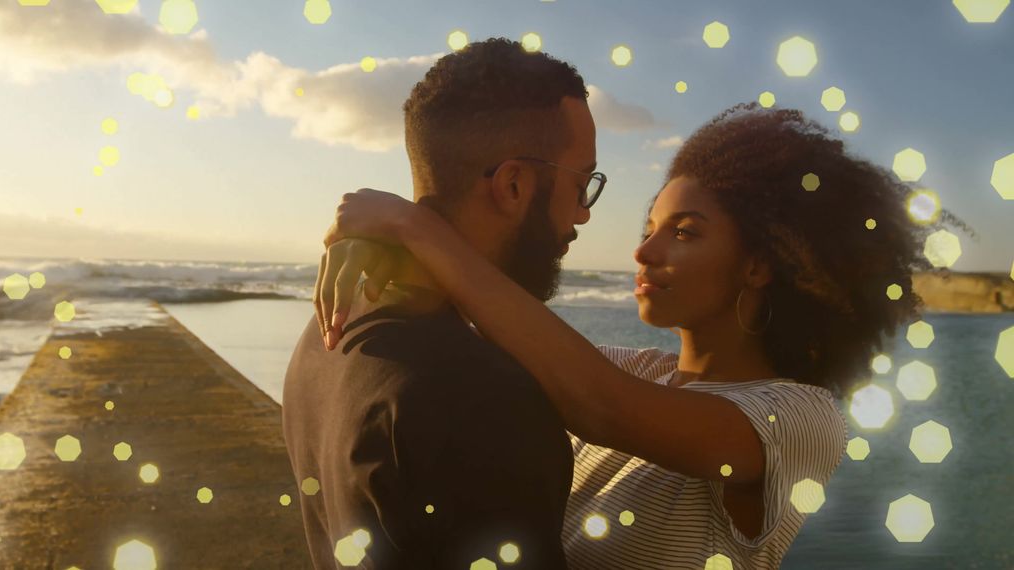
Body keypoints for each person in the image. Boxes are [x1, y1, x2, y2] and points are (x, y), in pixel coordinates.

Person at [313, 103, 978, 568]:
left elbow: (598, 405)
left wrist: (418, 230)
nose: (643, 253)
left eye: (683, 233)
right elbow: (495, 341)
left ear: (758, 264)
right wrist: (390, 260)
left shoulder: (799, 419)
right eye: (649, 228)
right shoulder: (640, 370)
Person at [282, 38, 599, 569]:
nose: (584, 215)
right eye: (582, 183)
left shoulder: (325, 331)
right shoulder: (488, 404)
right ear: (514, 184)